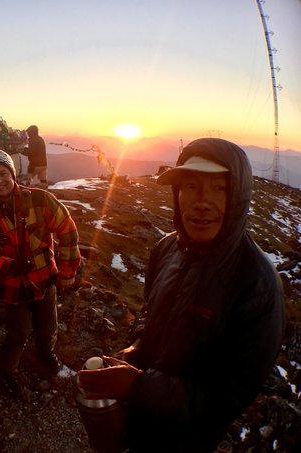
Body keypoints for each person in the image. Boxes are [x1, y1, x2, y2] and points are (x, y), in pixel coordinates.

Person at [77, 138, 285, 452]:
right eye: (190, 186)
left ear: (238, 197)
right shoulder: (166, 249)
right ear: (177, 194)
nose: (202, 202)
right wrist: (136, 347)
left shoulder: (257, 284)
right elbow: (150, 311)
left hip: (189, 439)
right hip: (140, 415)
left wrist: (140, 386)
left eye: (219, 188)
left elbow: (229, 396)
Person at [0, 149, 81, 395]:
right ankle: (6, 371)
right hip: (13, 287)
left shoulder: (40, 200)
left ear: (13, 175)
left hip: (45, 279)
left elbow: (67, 231)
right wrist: (10, 266)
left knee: (48, 326)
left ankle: (46, 352)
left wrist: (67, 272)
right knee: (18, 332)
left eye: (3, 173)